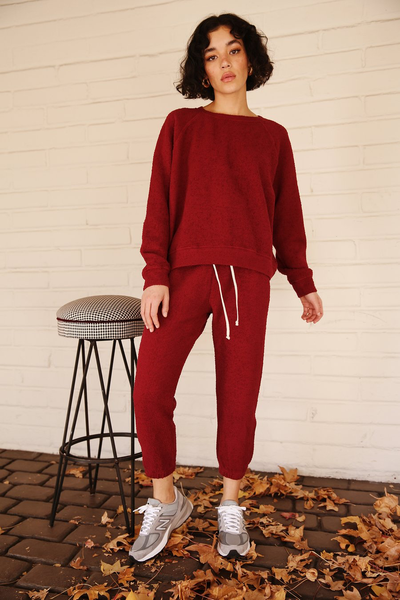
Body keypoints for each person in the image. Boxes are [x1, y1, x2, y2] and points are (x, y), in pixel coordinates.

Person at [128, 12, 324, 564]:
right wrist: (155, 275)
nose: (224, 63)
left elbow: (287, 216)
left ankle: (230, 505)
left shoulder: (273, 137)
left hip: (246, 279)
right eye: (211, 55)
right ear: (202, 69)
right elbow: (159, 202)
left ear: (250, 58)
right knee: (150, 391)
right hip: (183, 276)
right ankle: (166, 500)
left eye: (233, 50)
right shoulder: (180, 126)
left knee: (238, 398)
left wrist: (302, 280)